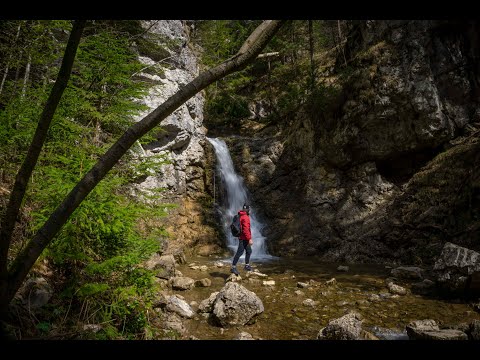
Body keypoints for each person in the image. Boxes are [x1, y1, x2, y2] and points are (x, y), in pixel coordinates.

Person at [231, 204, 253, 275]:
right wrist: (249, 239)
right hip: (243, 238)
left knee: (249, 251)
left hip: (243, 237)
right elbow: (246, 229)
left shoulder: (241, 215)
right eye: (249, 209)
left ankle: (246, 265)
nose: (250, 210)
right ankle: (233, 267)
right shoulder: (245, 217)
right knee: (239, 252)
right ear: (247, 209)